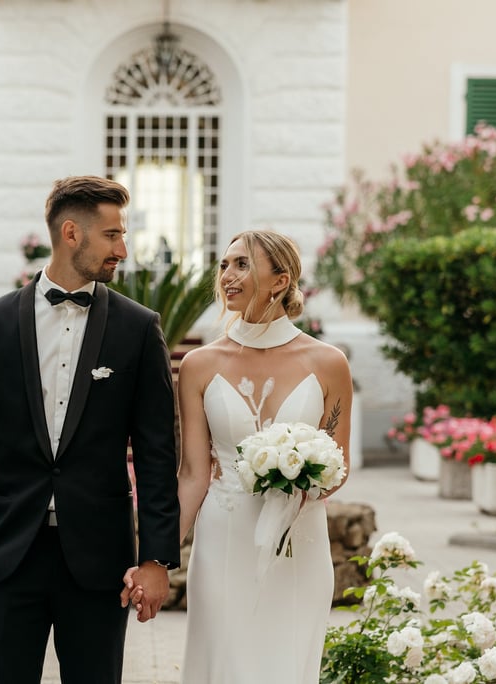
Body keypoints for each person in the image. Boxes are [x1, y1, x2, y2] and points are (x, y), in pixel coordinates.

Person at [0, 175, 181, 684]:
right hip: (8, 555)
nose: (123, 248)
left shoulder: (139, 328)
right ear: (71, 233)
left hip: (100, 561)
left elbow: (158, 452)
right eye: (112, 235)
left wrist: (157, 558)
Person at [128, 229, 353, 682]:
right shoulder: (199, 365)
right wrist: (155, 558)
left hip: (300, 541)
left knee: (287, 663)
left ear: (280, 280)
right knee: (223, 663)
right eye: (224, 265)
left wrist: (301, 481)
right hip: (223, 538)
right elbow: (193, 473)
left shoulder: (328, 362)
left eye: (242, 264)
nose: (227, 275)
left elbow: (338, 465)